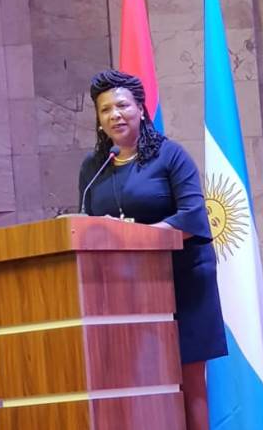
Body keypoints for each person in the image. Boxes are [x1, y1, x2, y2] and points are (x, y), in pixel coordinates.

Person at [78, 69, 227, 430]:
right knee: (138, 382)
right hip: (123, 289)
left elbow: (192, 216)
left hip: (183, 281)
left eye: (122, 106)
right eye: (105, 110)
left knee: (188, 380)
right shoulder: (94, 168)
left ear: (141, 110)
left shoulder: (170, 156)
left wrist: (136, 236)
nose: (115, 115)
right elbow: (86, 224)